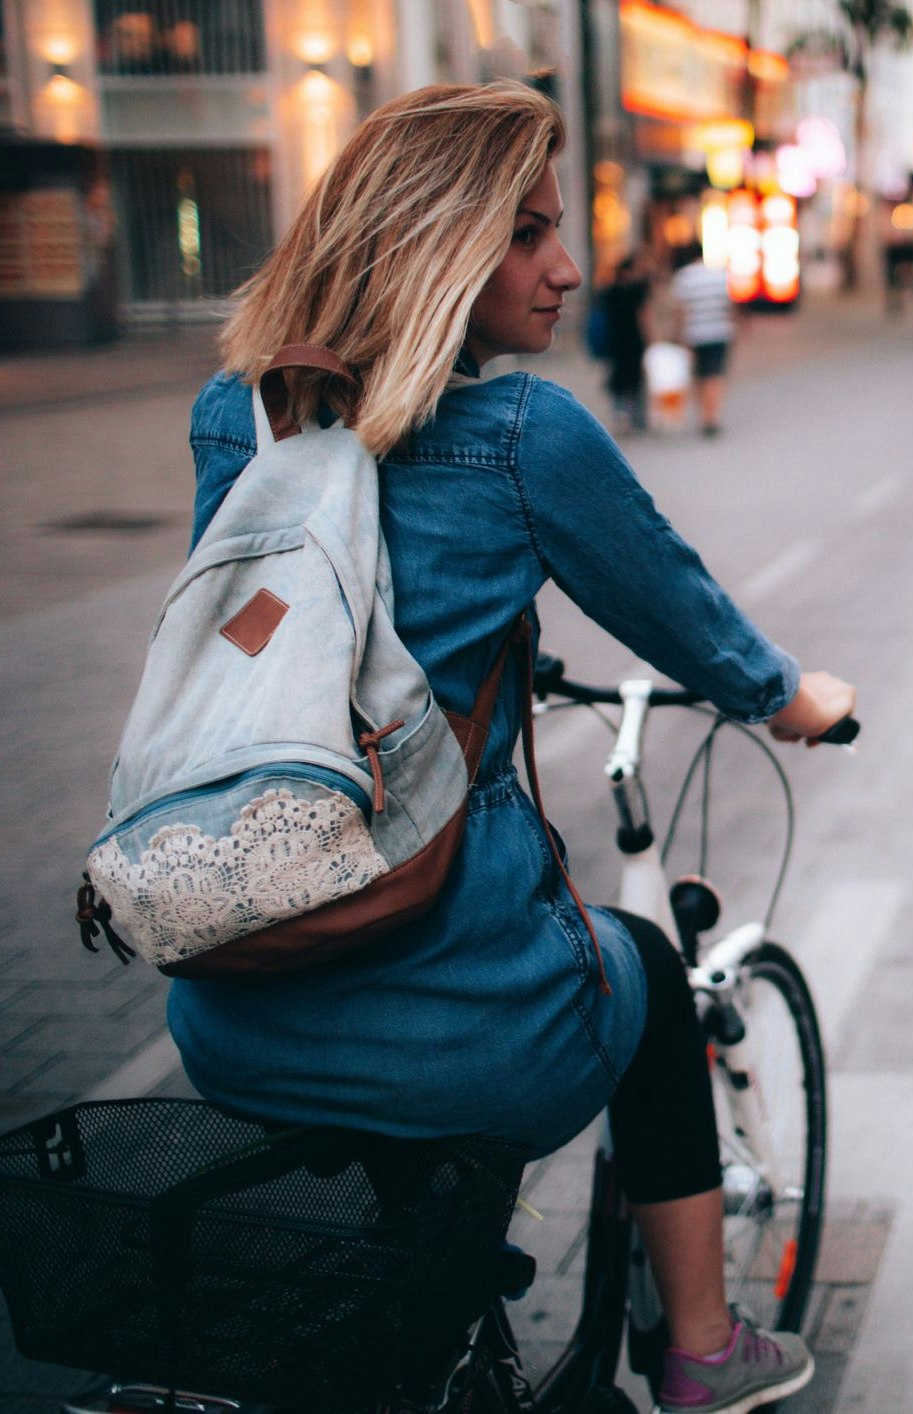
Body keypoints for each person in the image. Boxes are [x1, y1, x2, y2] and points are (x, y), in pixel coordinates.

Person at [172, 83, 854, 1412]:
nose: (568, 264)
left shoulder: (230, 416)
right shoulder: (524, 439)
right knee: (645, 969)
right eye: (529, 231)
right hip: (466, 1025)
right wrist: (791, 696)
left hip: (228, 1002)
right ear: (438, 245)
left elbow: (269, 627)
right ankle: (705, 1347)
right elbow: (689, 621)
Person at [668, 241, 736, 437]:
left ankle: (703, 416)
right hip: (719, 331)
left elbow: (681, 310)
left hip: (694, 334)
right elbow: (730, 304)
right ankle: (711, 417)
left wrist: (677, 334)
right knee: (714, 376)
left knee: (699, 375)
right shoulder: (719, 275)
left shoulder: (684, 278)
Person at [601, 250, 653, 433]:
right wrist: (649, 338)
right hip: (633, 339)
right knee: (636, 378)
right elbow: (643, 316)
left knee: (618, 376)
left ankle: (619, 416)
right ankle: (637, 418)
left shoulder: (609, 291)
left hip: (615, 340)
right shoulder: (637, 290)